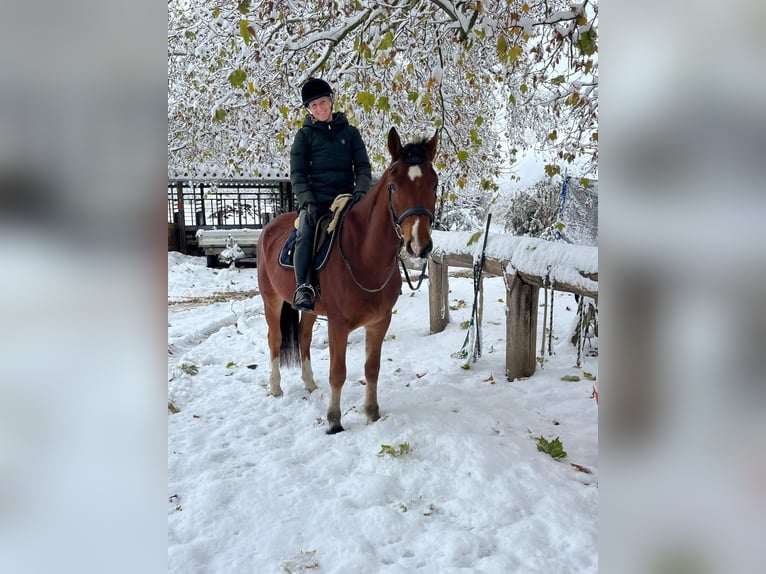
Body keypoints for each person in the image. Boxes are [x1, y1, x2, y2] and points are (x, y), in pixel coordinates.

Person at [289, 77, 372, 312]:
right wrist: (308, 201)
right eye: (313, 105)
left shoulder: (351, 133)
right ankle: (303, 286)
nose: (320, 108)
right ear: (309, 109)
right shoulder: (304, 137)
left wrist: (361, 191)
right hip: (316, 201)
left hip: (348, 198)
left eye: (323, 102)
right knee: (305, 231)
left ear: (331, 102)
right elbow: (298, 174)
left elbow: (363, 167)